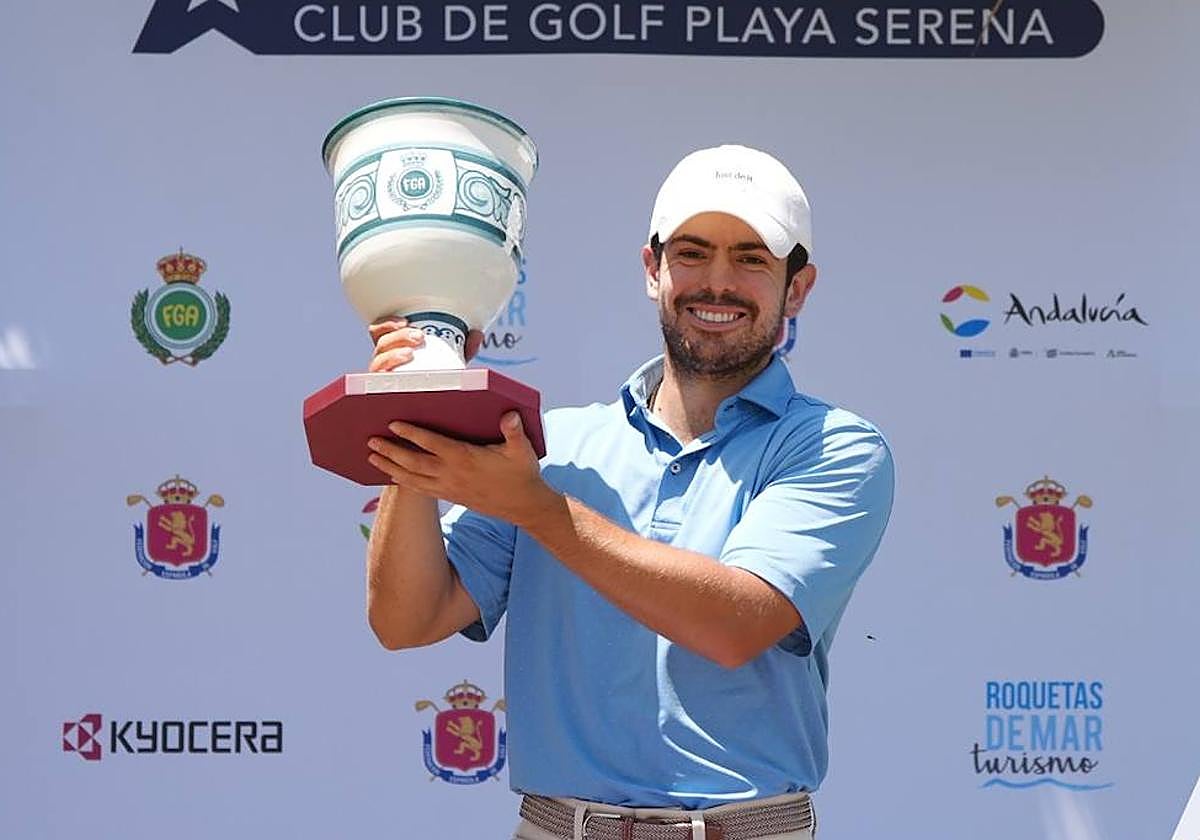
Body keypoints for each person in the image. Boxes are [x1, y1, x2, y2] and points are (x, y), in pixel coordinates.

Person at [363, 145, 894, 840]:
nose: (718, 282)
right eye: (693, 253)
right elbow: (407, 620)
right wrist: (414, 424)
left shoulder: (833, 446)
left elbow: (734, 627)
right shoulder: (552, 447)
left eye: (752, 259)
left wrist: (536, 507)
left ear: (798, 287)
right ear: (653, 269)